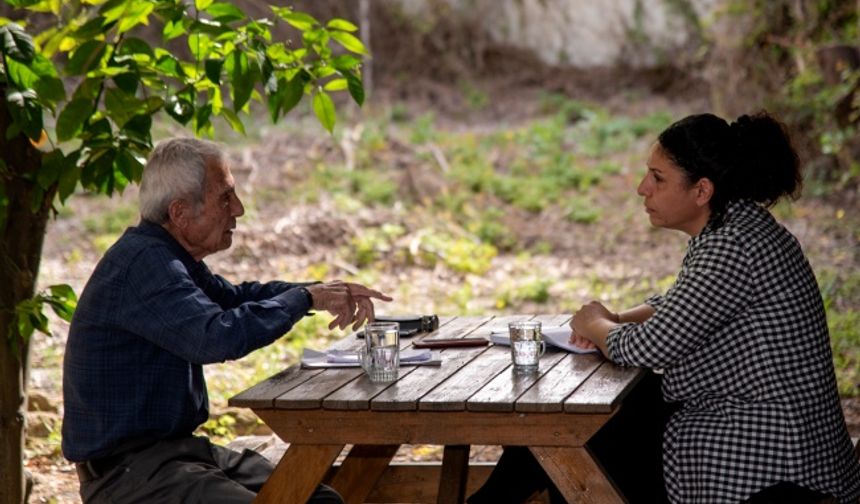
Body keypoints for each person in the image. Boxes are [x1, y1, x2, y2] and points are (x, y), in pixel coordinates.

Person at [469, 112, 860, 503]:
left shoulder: (732, 246)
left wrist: (594, 324)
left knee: (564, 438)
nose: (643, 188)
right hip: (775, 446)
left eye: (658, 178)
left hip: (770, 467)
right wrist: (615, 318)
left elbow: (649, 347)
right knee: (570, 431)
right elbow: (676, 308)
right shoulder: (734, 227)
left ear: (702, 190)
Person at [62, 137, 392, 503]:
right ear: (180, 212)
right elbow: (216, 337)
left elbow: (236, 298)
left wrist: (318, 291)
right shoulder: (144, 264)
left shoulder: (168, 256)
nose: (239, 209)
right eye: (225, 198)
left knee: (318, 499)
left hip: (178, 453)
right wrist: (304, 298)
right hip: (129, 474)